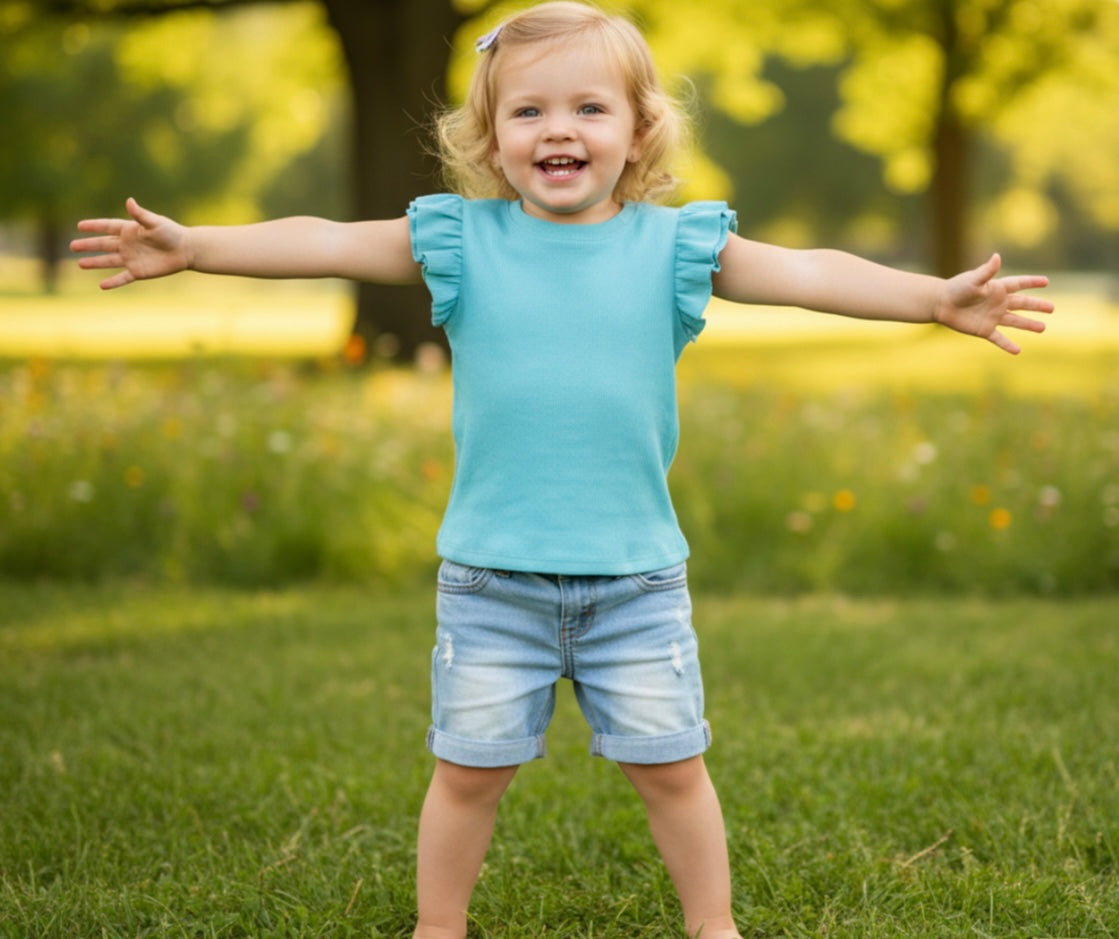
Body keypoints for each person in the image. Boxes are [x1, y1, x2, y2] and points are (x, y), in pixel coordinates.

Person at [71, 3, 1053, 936]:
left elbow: (810, 272)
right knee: (467, 774)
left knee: (675, 769)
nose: (559, 129)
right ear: (491, 137)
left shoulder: (676, 245)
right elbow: (323, 241)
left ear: (640, 131)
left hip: (635, 581)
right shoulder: (462, 240)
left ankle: (714, 924)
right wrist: (196, 246)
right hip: (494, 579)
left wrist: (933, 299)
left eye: (590, 108)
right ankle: (437, 925)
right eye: (528, 110)